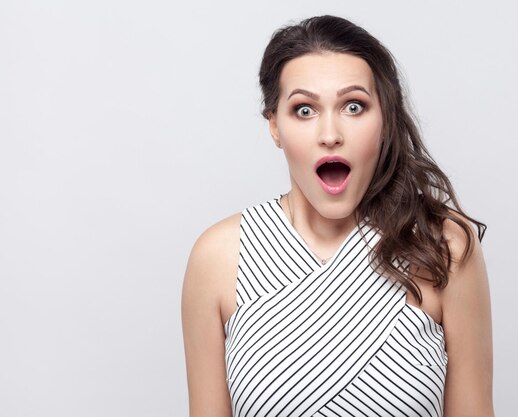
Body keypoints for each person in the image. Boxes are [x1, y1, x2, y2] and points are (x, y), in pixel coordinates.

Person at [182, 15, 494, 417]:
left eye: (353, 106)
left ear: (385, 119)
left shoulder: (442, 244)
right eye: (304, 110)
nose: (330, 134)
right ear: (274, 125)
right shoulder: (219, 257)